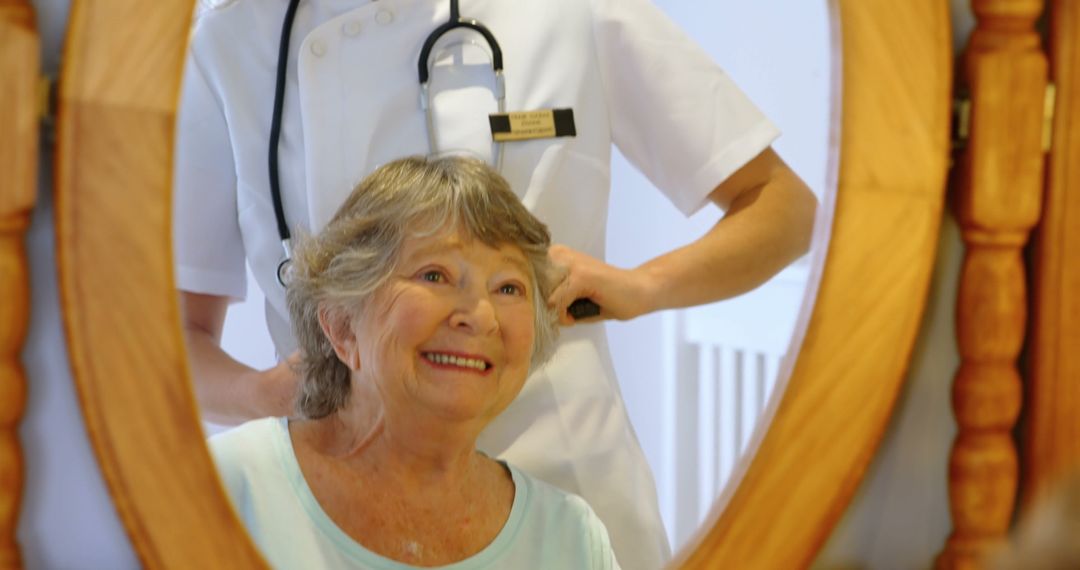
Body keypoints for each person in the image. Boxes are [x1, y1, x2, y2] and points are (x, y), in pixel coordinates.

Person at [174, 0, 817, 567]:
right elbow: (177, 341)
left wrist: (643, 287)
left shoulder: (573, 11)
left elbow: (781, 206)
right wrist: (269, 395)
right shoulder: (231, 44)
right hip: (326, 507)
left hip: (559, 471)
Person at [210, 156, 620, 569]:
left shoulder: (570, 538)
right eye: (434, 275)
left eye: (508, 287)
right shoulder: (226, 485)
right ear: (342, 326)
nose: (480, 316)